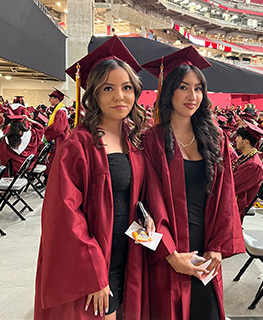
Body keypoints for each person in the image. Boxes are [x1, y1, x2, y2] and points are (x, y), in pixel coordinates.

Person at [34, 36, 154, 320]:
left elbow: (130, 194)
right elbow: (65, 216)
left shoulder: (133, 138)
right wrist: (93, 275)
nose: (119, 96)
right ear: (93, 94)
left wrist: (145, 214)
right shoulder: (78, 145)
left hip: (129, 257)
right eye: (108, 88)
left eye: (126, 87)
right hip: (96, 265)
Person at [142, 46, 245, 320]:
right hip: (170, 253)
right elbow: (149, 202)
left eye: (198, 88)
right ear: (169, 90)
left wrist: (218, 247)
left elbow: (226, 196)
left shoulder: (215, 137)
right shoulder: (151, 140)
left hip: (207, 251)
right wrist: (170, 253)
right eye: (184, 87)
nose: (192, 96)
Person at [232, 121, 263, 222]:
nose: (236, 140)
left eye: (238, 137)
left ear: (246, 142)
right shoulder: (245, 157)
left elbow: (232, 185)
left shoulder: (253, 165)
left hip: (237, 202)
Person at [44, 88, 70, 181]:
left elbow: (58, 128)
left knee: (55, 160)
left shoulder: (60, 111)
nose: (49, 100)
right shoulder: (58, 110)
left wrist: (46, 131)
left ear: (56, 99)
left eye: (51, 98)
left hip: (60, 139)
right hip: (59, 137)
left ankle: (51, 180)